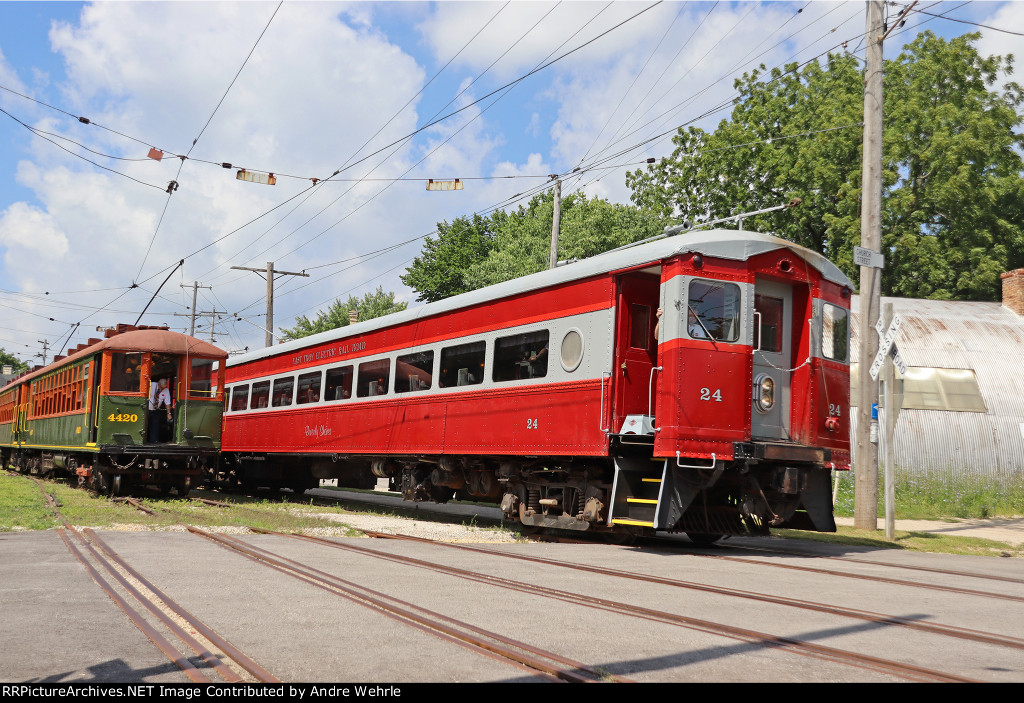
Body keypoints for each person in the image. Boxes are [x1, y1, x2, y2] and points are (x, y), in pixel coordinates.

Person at [148, 377, 172, 443]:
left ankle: (153, 441)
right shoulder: (151, 385)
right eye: (161, 387)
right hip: (146, 409)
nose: (162, 389)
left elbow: (167, 403)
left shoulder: (166, 391)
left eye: (164, 387)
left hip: (156, 410)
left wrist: (168, 413)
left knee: (155, 425)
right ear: (158, 384)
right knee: (145, 424)